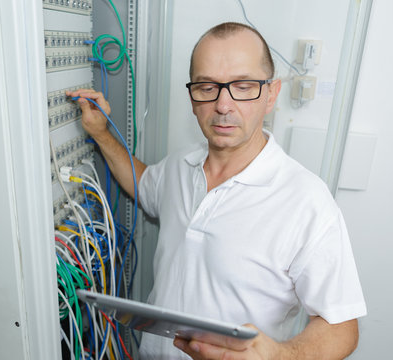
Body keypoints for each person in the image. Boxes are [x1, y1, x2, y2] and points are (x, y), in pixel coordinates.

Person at [67, 22, 366, 360]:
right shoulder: (181, 165)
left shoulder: (305, 200)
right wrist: (102, 133)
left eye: (243, 85)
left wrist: (281, 357)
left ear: (271, 94)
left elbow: (342, 327)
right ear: (193, 97)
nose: (223, 105)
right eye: (207, 87)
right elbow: (143, 183)